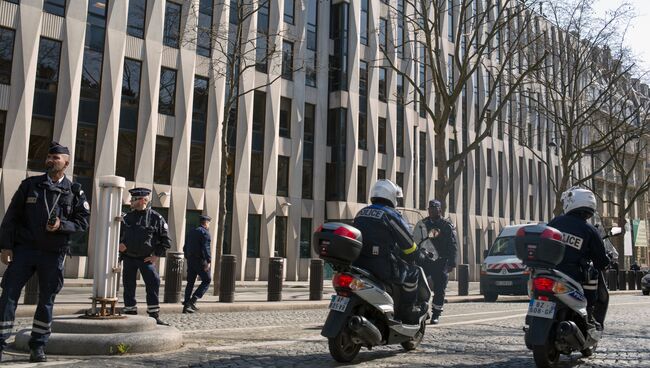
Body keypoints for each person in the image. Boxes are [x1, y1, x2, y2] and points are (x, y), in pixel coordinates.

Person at [0, 142, 90, 362]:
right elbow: (11, 217)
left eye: (55, 158)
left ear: (66, 163)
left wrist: (61, 226)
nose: (50, 160)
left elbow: (83, 222)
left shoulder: (75, 191)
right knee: (8, 295)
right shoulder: (30, 185)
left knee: (46, 300)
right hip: (25, 250)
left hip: (53, 253)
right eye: (49, 157)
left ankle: (38, 346)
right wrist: (5, 246)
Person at [352, 179, 425, 323]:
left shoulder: (362, 212)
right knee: (412, 273)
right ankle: (407, 310)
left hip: (358, 263)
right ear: (391, 196)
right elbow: (408, 243)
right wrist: (418, 254)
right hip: (381, 266)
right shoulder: (389, 214)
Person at [548, 187, 610, 328]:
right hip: (574, 274)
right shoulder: (590, 230)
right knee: (593, 274)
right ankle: (588, 312)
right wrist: (606, 263)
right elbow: (601, 260)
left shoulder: (554, 223)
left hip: (550, 271)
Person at [119, 187, 171, 326]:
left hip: (146, 258)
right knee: (129, 285)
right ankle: (130, 312)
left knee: (153, 282)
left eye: (134, 199)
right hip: (129, 258)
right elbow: (116, 236)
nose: (131, 202)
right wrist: (120, 245)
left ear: (142, 200)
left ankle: (154, 314)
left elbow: (166, 241)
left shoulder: (156, 218)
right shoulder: (127, 218)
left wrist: (155, 255)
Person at [413, 199, 458, 324]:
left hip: (441, 262)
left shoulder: (446, 225)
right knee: (420, 286)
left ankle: (436, 314)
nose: (432, 210)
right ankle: (422, 310)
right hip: (424, 261)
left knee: (440, 288)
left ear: (440, 210)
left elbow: (452, 244)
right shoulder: (422, 224)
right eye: (430, 208)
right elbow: (415, 241)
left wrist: (452, 262)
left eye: (434, 208)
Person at [182, 215, 212, 314]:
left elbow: (185, 247)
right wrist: (208, 261)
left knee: (190, 282)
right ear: (206, 223)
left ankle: (186, 305)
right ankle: (193, 300)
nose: (209, 225)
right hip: (200, 261)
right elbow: (206, 248)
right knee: (207, 280)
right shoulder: (205, 233)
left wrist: (188, 257)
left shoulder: (191, 231)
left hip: (191, 260)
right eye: (209, 223)